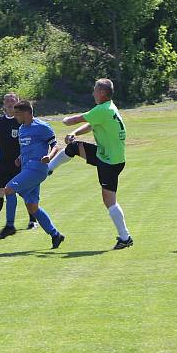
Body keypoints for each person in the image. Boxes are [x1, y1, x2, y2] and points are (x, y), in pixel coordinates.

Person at [45, 78, 133, 249]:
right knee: (73, 148)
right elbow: (91, 125)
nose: (92, 93)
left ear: (101, 92)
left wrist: (65, 120)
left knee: (110, 202)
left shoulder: (102, 109)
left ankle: (125, 237)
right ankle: (48, 169)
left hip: (109, 161)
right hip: (107, 156)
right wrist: (75, 133)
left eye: (95, 89)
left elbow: (75, 119)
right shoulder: (107, 108)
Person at [0, 101, 65, 247]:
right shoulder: (22, 129)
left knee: (8, 189)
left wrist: (50, 156)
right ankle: (56, 235)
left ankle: (10, 226)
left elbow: (55, 145)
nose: (15, 117)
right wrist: (20, 158)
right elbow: (27, 148)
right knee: (33, 208)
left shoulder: (42, 127)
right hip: (26, 169)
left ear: (26, 113)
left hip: (37, 168)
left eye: (17, 114)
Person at [0, 93, 38, 232]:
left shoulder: (21, 120)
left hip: (20, 164)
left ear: (17, 103)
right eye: (7, 100)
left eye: (13, 100)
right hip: (3, 164)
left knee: (26, 192)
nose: (10, 103)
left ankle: (33, 220)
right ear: (3, 104)